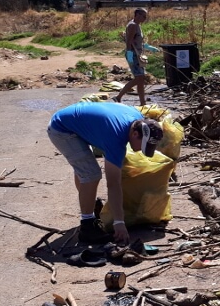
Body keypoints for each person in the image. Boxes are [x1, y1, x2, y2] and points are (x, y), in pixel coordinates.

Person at [47, 101, 164, 245]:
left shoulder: (137, 119)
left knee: (84, 169)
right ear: (134, 133)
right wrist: (119, 222)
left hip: (78, 122)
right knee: (91, 174)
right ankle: (87, 227)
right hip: (62, 129)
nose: (141, 150)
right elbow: (113, 184)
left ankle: (91, 204)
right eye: (144, 145)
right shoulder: (116, 137)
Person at [114, 8, 150, 106]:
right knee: (139, 78)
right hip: (133, 54)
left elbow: (137, 40)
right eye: (143, 16)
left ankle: (143, 102)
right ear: (137, 14)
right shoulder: (133, 25)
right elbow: (129, 41)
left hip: (138, 53)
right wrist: (129, 53)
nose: (145, 18)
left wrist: (148, 47)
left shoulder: (137, 25)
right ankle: (118, 96)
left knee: (140, 80)